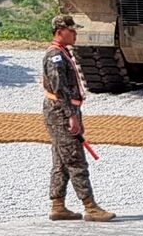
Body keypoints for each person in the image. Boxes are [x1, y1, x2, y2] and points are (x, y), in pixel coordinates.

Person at [42, 14, 116, 222]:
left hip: (61, 110)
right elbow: (59, 89)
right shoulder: (55, 56)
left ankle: (58, 205)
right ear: (60, 31)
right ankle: (90, 206)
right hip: (61, 111)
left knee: (61, 160)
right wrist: (71, 116)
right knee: (75, 159)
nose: (75, 34)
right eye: (71, 30)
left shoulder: (62, 53)